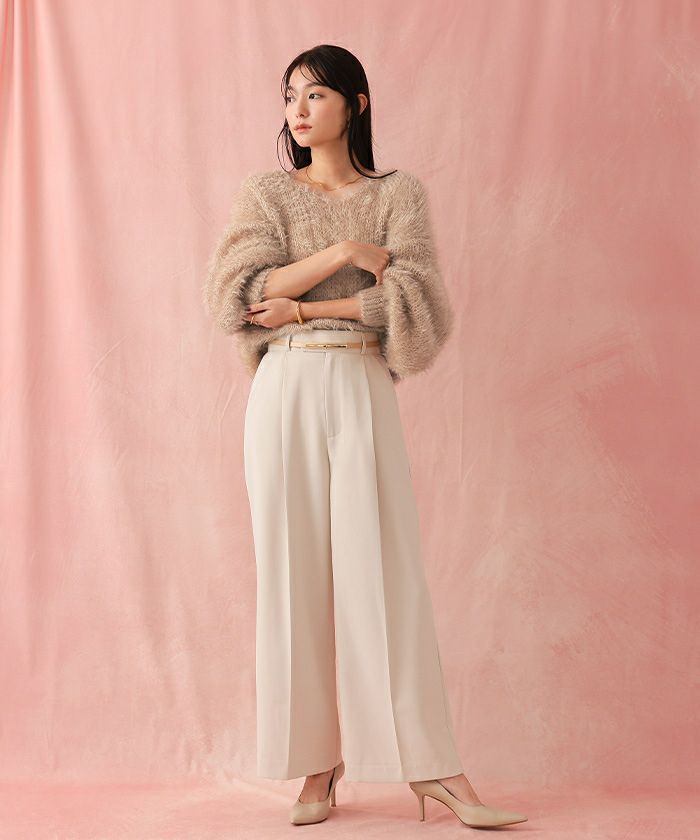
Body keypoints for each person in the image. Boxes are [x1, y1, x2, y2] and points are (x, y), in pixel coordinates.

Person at [203, 44, 528, 829]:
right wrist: (348, 256)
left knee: (387, 571)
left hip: (358, 382)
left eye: (316, 94)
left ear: (357, 103)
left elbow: (417, 303)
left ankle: (433, 766)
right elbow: (239, 295)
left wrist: (307, 304)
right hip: (282, 389)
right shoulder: (266, 193)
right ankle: (317, 763)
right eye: (290, 96)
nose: (299, 109)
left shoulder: (396, 194)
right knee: (292, 574)